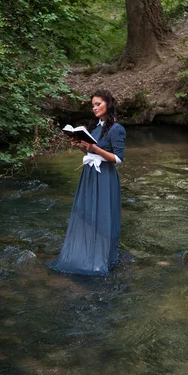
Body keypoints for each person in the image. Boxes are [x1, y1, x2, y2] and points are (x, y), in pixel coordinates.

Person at [48, 89, 126, 275]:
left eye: (98, 104)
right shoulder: (94, 127)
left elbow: (118, 159)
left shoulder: (117, 129)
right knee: (88, 212)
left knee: (103, 214)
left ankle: (102, 258)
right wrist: (81, 147)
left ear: (109, 103)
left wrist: (94, 148)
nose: (95, 108)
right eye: (93, 105)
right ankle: (86, 251)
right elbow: (91, 152)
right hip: (89, 175)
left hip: (105, 176)